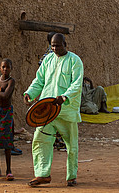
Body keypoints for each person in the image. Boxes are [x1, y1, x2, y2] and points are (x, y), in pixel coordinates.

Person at [24, 33, 83, 187]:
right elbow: (40, 80)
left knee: (71, 145)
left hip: (66, 111)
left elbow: (76, 85)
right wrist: (30, 93)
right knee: (40, 140)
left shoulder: (75, 61)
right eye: (53, 45)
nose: (55, 48)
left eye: (58, 45)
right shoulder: (48, 59)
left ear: (65, 44)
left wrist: (64, 97)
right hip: (47, 110)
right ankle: (42, 175)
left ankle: (71, 176)